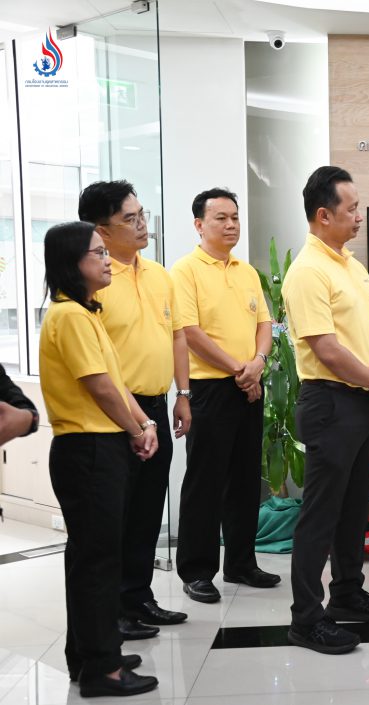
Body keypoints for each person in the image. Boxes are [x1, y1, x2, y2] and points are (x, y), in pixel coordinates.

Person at [282, 166, 369, 654]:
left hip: (365, 399)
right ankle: (306, 617)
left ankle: (348, 594)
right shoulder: (307, 271)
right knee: (321, 514)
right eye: (351, 209)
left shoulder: (352, 265)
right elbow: (326, 348)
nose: (359, 216)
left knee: (355, 508)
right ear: (322, 215)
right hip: (331, 402)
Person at [39, 221, 159, 697]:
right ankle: (102, 670)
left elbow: (118, 381)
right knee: (97, 564)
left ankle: (90, 655)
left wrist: (144, 425)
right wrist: (136, 428)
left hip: (102, 446)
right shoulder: (67, 316)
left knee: (94, 560)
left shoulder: (87, 313)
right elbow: (100, 387)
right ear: (73, 264)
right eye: (97, 253)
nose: (107, 259)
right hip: (86, 450)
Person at [78, 181, 190, 641]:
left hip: (156, 403)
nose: (143, 223)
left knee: (148, 505)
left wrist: (183, 394)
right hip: (114, 410)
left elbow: (177, 336)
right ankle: (115, 608)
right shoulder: (95, 283)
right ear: (100, 230)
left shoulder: (160, 274)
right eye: (130, 217)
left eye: (142, 213)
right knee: (117, 511)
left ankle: (139, 596)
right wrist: (133, 417)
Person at [171, 188, 278, 604]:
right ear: (199, 224)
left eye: (235, 217)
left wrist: (258, 363)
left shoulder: (247, 271)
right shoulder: (185, 271)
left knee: (245, 478)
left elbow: (264, 323)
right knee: (205, 481)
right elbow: (190, 333)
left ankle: (241, 562)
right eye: (221, 218)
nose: (231, 225)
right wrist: (240, 369)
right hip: (211, 388)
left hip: (249, 382)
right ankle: (197, 571)